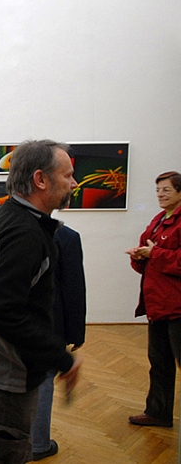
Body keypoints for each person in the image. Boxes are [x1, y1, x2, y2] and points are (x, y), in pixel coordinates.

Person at [0, 139, 83, 464]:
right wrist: (61, 357)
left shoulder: (11, 217)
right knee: (3, 454)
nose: (74, 183)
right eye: (67, 175)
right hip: (6, 372)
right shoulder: (24, 232)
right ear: (40, 179)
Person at [125, 171, 181, 428]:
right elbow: (148, 259)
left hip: (177, 306)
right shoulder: (158, 220)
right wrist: (139, 256)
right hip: (157, 305)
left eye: (166, 190)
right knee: (159, 363)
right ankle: (158, 413)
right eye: (158, 190)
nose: (160, 194)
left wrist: (154, 253)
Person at [31, 225, 87, 460]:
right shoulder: (66, 237)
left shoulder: (7, 228)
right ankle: (38, 444)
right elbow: (73, 287)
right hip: (50, 324)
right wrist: (76, 332)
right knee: (43, 381)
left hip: (15, 323)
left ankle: (20, 440)